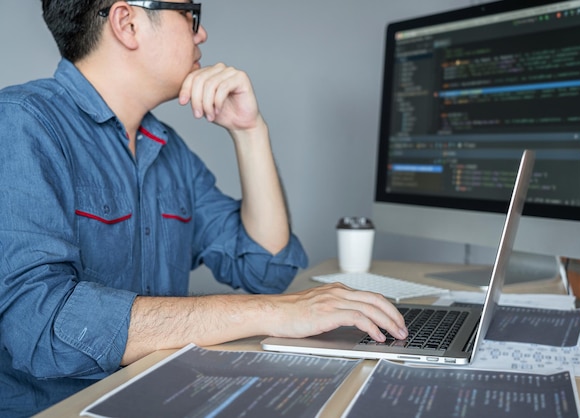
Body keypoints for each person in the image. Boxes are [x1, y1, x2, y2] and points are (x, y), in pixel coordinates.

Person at [0, 1, 408, 416]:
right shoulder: (21, 124)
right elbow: (40, 326)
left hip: (157, 400)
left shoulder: (169, 151)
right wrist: (272, 313)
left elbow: (267, 269)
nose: (201, 34)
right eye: (190, 14)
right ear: (128, 22)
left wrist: (250, 132)